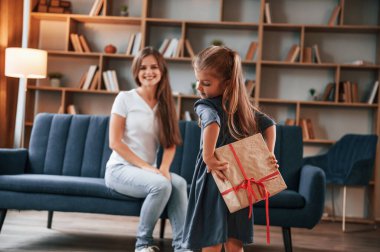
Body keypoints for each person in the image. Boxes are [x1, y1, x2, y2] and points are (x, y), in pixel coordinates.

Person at [182, 46, 278, 252]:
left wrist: (208, 156)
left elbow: (212, 122)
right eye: (197, 81)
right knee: (235, 242)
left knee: (210, 239)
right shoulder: (242, 107)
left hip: (213, 177)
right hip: (238, 178)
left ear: (227, 83)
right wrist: (268, 154)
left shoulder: (205, 106)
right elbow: (269, 124)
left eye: (206, 83)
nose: (199, 87)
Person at [105, 47, 190, 252]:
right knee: (161, 185)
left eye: (153, 67)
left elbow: (170, 143)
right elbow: (115, 142)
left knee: (178, 184)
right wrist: (148, 168)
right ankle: (142, 244)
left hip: (147, 171)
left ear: (162, 70)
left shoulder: (166, 104)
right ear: (136, 71)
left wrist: (164, 168)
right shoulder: (124, 98)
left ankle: (183, 247)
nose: (148, 72)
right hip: (119, 169)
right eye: (143, 67)